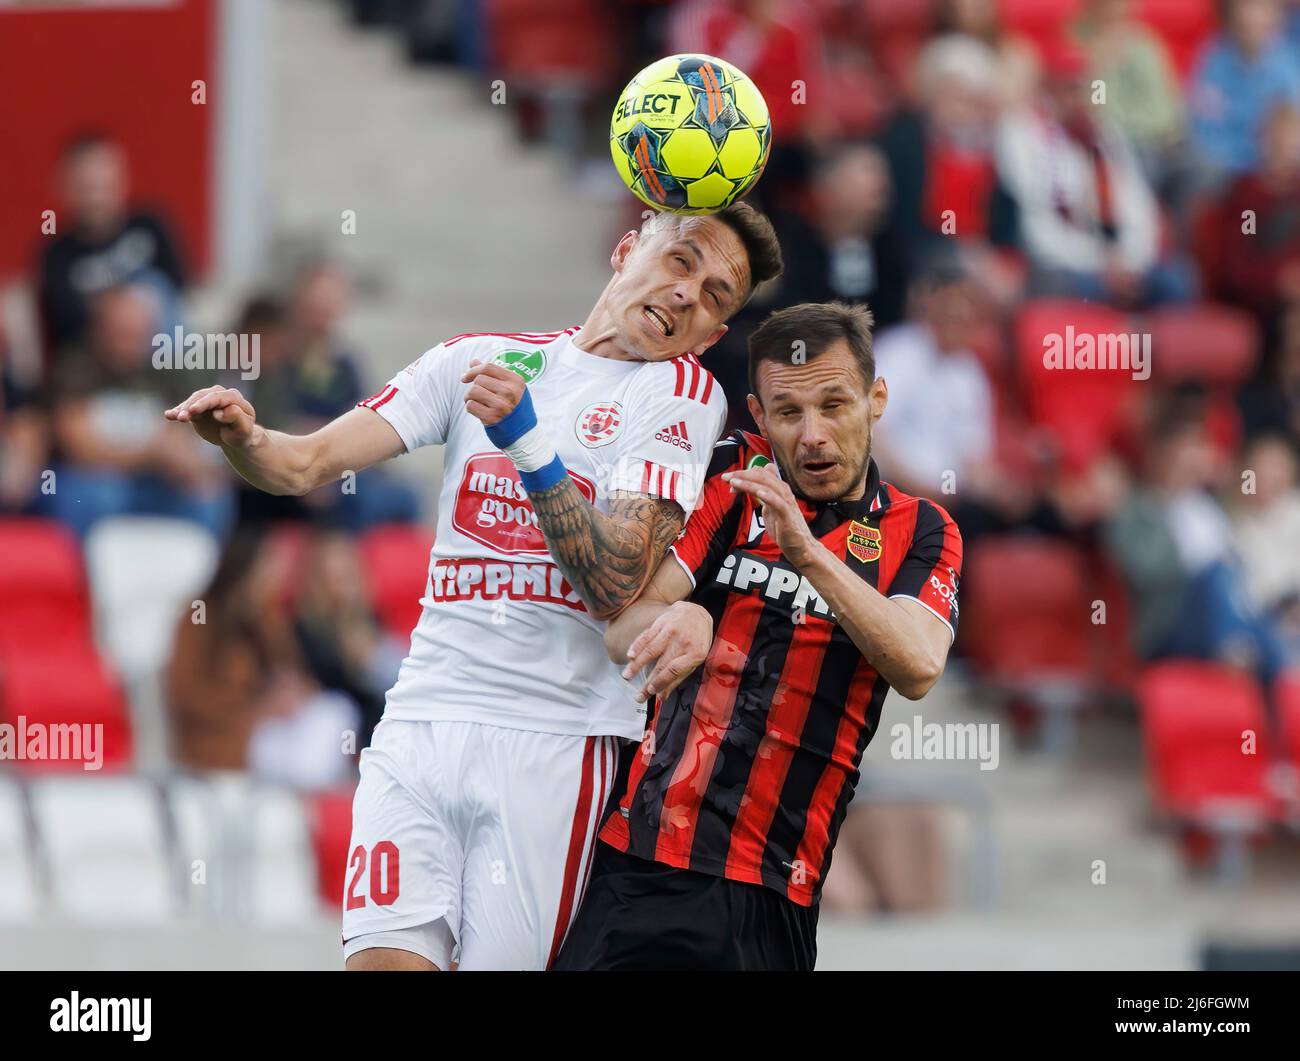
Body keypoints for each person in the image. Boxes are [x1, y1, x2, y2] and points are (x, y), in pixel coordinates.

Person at [165, 202, 783, 970]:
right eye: (681, 261)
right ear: (627, 248)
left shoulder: (679, 399)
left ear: (712, 335)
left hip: (554, 744)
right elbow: (303, 463)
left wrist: (527, 443)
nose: (690, 293)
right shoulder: (478, 357)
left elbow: (617, 580)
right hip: (422, 723)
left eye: (717, 296)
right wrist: (245, 438)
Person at [554, 301, 963, 971]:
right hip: (644, 865)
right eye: (788, 413)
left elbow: (918, 664)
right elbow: (619, 630)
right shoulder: (731, 480)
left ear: (876, 397)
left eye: (834, 405)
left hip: (778, 889)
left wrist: (808, 554)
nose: (813, 436)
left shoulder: (923, 531)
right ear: (758, 413)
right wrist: (682, 617)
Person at [37, 133, 187, 356]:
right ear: (65, 189)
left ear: (121, 181)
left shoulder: (150, 226)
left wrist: (135, 304)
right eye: (87, 187)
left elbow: (179, 284)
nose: (97, 198)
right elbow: (65, 321)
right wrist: (115, 312)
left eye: (104, 186)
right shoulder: (57, 254)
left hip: (160, 351)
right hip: (96, 363)